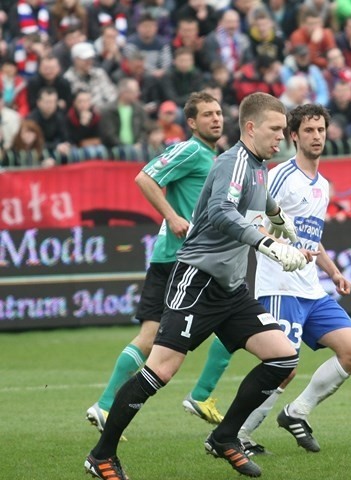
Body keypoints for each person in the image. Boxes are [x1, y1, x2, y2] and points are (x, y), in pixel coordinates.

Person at [84, 92, 309, 479]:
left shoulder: (257, 164)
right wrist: (268, 242)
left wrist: (276, 214)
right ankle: (102, 456)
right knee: (161, 371)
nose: (283, 137)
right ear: (251, 128)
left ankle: (224, 437)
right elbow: (221, 210)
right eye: (276, 129)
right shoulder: (233, 161)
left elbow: (257, 195)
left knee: (283, 357)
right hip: (197, 280)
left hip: (230, 288)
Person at [183, 103, 351, 456]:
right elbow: (257, 223)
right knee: (284, 367)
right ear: (293, 136)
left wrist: (333, 271)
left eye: (321, 130)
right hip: (280, 285)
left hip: (311, 287)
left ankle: (297, 412)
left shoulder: (323, 185)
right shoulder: (281, 175)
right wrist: (281, 247)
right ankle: (235, 435)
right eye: (308, 131)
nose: (317, 136)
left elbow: (309, 236)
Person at [85, 91, 224, 440]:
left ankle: (105, 405)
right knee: (233, 324)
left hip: (192, 258)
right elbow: (145, 177)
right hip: (179, 258)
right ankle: (200, 397)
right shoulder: (191, 150)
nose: (216, 119)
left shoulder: (214, 156)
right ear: (191, 122)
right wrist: (173, 216)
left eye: (219, 112)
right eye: (207, 114)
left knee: (153, 336)